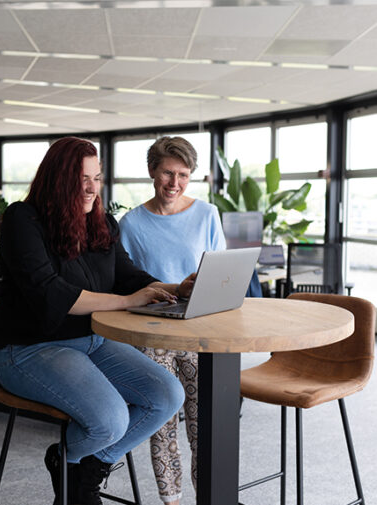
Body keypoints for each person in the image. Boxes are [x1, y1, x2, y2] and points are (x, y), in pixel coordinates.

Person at [0, 136, 194, 505]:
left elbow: (129, 275)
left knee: (167, 396)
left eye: (96, 178)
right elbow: (51, 293)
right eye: (81, 178)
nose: (90, 188)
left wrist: (176, 288)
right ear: (57, 178)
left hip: (91, 341)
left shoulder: (100, 223)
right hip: (30, 348)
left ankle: (80, 470)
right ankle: (74, 469)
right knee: (111, 420)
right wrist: (128, 301)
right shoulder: (24, 220)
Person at [119, 136, 227, 505]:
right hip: (152, 332)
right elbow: (125, 280)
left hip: (198, 332)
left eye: (183, 175)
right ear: (152, 171)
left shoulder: (207, 214)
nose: (174, 183)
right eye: (167, 172)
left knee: (204, 423)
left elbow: (222, 274)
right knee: (162, 424)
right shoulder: (131, 223)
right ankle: (172, 500)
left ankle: (206, 497)